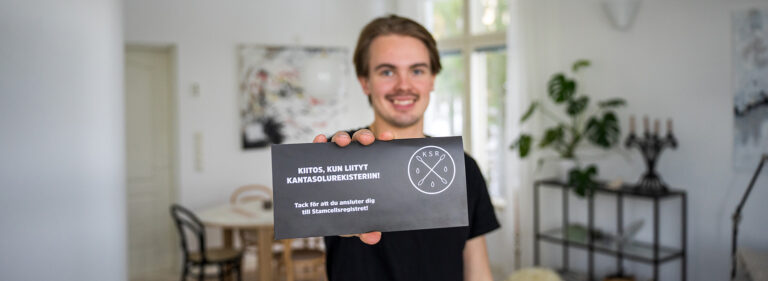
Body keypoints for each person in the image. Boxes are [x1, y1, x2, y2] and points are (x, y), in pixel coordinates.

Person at [313, 14, 500, 281]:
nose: (404, 85)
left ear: (432, 79)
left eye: (417, 70)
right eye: (387, 71)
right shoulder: (338, 158)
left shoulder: (463, 167)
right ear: (365, 81)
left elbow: (478, 270)